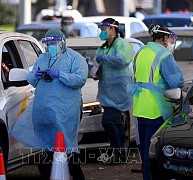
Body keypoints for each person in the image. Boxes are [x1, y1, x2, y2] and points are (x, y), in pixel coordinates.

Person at [26, 28, 88, 179]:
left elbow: (80, 79)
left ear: (62, 42)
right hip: (45, 112)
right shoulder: (42, 58)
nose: (51, 46)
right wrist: (36, 75)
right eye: (48, 43)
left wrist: (60, 75)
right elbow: (32, 79)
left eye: (54, 42)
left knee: (67, 149)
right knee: (47, 151)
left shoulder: (75, 58)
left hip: (66, 112)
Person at [130, 25, 184, 180]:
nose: (170, 43)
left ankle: (147, 176)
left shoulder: (140, 52)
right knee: (157, 150)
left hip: (140, 107)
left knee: (145, 148)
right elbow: (176, 80)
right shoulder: (163, 55)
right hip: (157, 109)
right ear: (165, 38)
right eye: (170, 39)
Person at [94, 18, 134, 163]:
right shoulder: (103, 47)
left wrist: (104, 58)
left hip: (119, 92)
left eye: (105, 28)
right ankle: (118, 152)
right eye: (101, 28)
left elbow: (122, 60)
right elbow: (97, 65)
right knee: (113, 122)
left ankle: (119, 151)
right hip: (106, 91)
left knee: (110, 120)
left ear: (113, 29)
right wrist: (92, 67)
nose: (102, 31)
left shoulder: (122, 44)